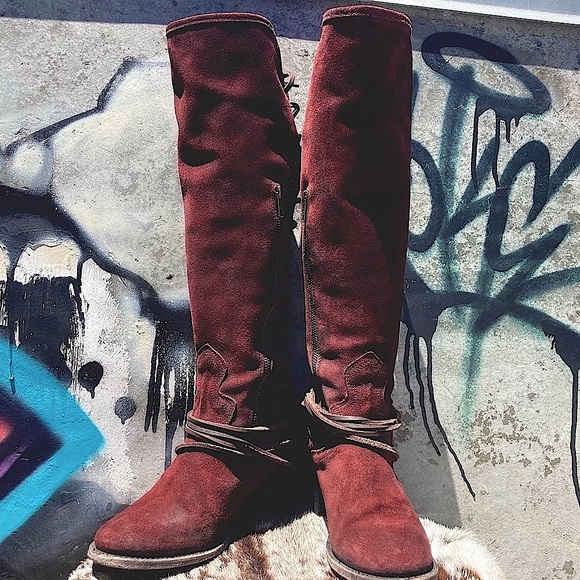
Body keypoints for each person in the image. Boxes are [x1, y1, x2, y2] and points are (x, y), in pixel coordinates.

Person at [89, 6, 437, 579]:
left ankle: (353, 434)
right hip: (230, 420)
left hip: (355, 426)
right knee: (224, 153)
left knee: (363, 148)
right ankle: (234, 424)